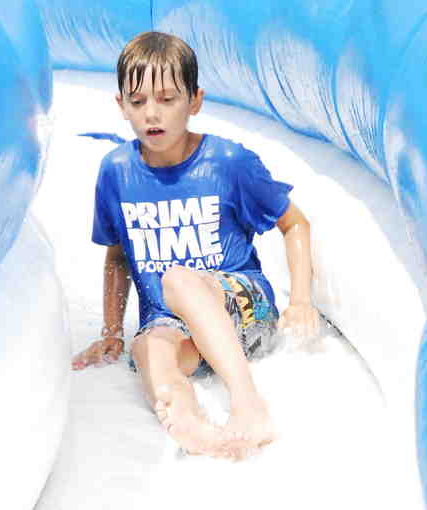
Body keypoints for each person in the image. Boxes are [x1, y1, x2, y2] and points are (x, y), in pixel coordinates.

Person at [71, 31, 319, 460]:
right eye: (138, 101)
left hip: (243, 310)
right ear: (121, 106)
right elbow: (118, 258)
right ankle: (192, 425)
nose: (152, 113)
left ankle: (248, 403)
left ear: (195, 101)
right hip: (173, 326)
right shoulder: (115, 172)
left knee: (178, 280)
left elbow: (294, 223)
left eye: (167, 99)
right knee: (149, 350)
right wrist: (111, 332)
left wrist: (300, 301)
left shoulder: (228, 163)